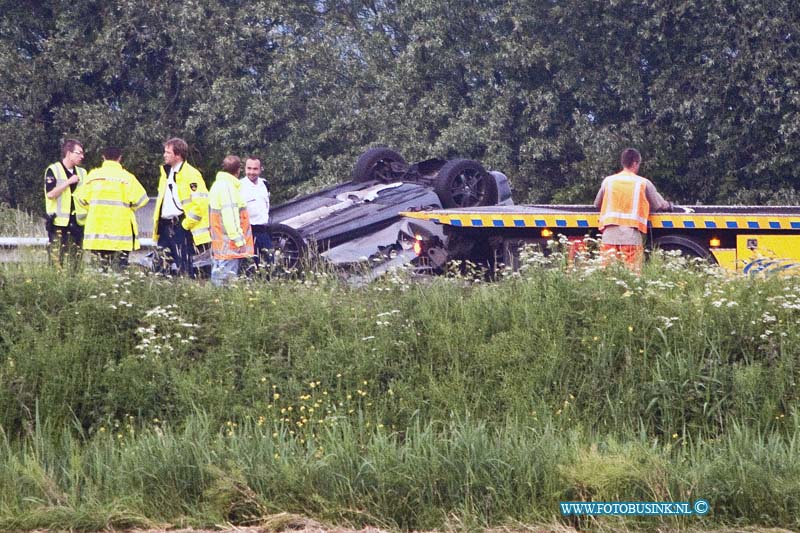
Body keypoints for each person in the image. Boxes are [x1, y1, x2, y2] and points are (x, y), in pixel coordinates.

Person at [594, 148, 672, 272]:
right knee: (632, 275)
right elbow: (658, 205)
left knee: (608, 275)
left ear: (623, 162)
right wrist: (667, 204)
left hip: (608, 236)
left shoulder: (608, 181)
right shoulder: (643, 183)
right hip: (630, 237)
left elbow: (597, 203)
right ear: (635, 163)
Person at [74, 147, 149, 270]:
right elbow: (142, 200)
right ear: (120, 158)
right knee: (118, 272)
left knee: (99, 272)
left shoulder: (92, 176)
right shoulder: (127, 178)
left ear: (103, 157)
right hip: (121, 236)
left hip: (97, 236)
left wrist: (93, 207)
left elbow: (80, 199)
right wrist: (128, 208)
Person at [151, 137, 211, 276]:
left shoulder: (191, 174)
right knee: (159, 266)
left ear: (178, 155)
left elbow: (200, 203)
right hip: (165, 226)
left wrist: (185, 225)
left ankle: (186, 293)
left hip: (180, 226)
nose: (164, 155)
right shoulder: (166, 172)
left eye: (168, 152)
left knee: (183, 266)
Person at [208, 155, 254, 286]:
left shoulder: (218, 185)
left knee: (218, 280)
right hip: (230, 245)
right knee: (226, 284)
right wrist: (239, 241)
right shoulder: (228, 188)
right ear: (238, 170)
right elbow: (230, 217)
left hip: (221, 244)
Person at [44, 139, 86, 268]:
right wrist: (68, 182)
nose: (82, 156)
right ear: (68, 153)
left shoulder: (83, 173)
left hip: (77, 223)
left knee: (76, 261)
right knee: (56, 261)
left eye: (82, 153)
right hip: (58, 223)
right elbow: (50, 194)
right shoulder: (53, 170)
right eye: (78, 153)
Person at [239, 155, 273, 268]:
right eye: (249, 168)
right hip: (248, 231)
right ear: (244, 169)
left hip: (263, 230)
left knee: (271, 262)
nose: (252, 172)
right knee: (251, 265)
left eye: (255, 169)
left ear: (260, 169)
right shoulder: (239, 186)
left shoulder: (265, 184)